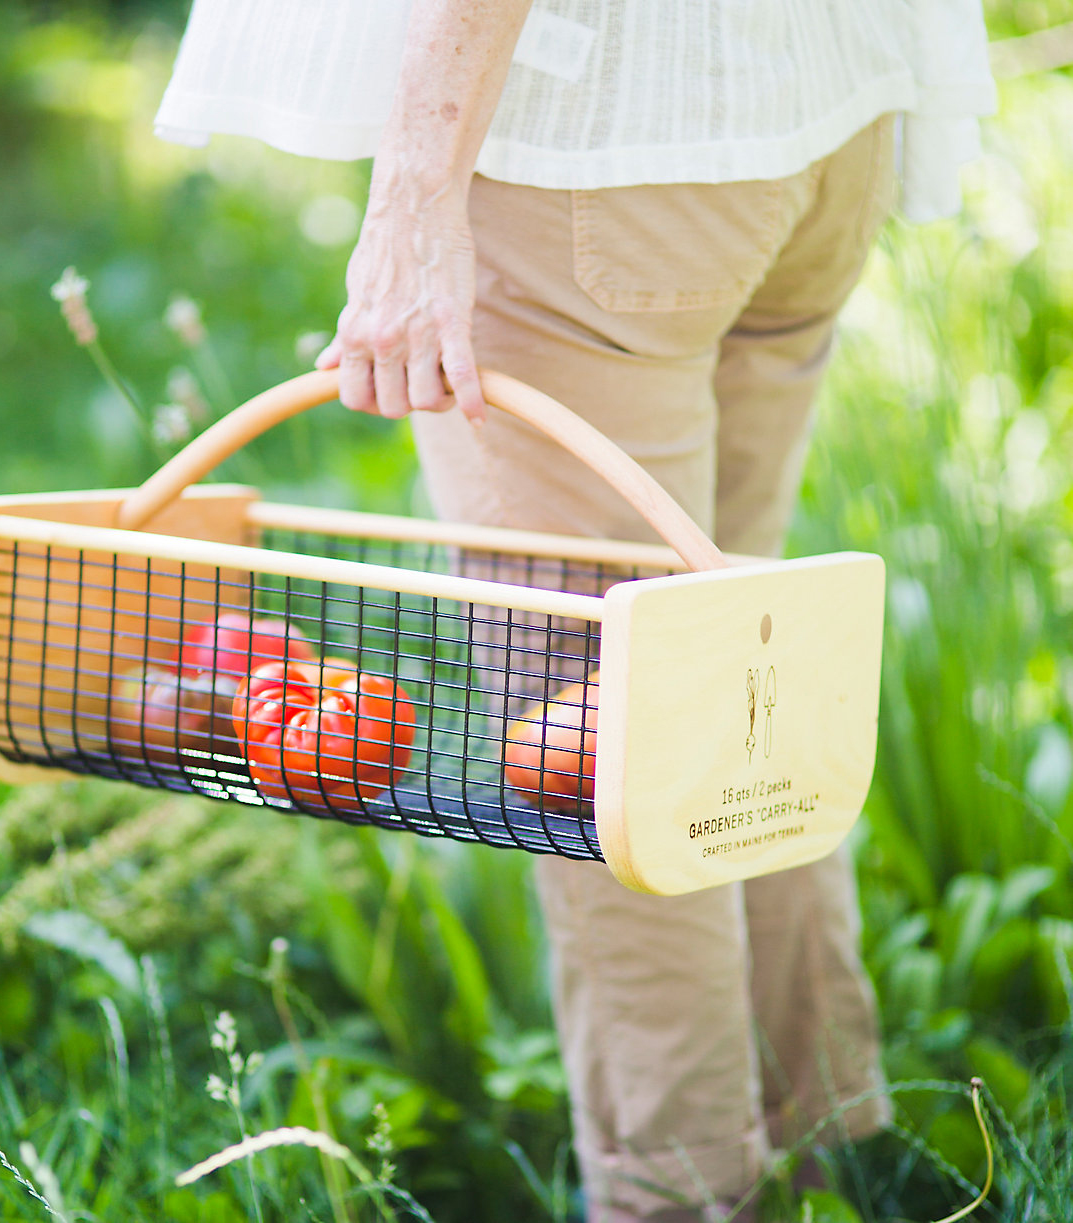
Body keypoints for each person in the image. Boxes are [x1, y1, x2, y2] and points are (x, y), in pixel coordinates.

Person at [156, 3, 996, 1218]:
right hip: (820, 117)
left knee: (597, 747)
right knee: (721, 684)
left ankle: (678, 1196)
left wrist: (411, 199)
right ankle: (824, 1151)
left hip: (597, 152)